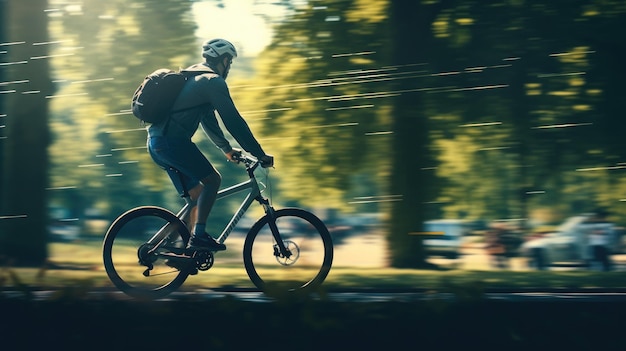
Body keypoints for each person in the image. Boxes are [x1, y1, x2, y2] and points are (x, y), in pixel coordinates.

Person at [147, 38, 273, 251]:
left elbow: (208, 119)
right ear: (223, 60)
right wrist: (259, 153)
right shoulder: (213, 82)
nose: (230, 67)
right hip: (172, 143)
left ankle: (172, 248)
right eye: (230, 62)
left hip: (156, 142)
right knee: (213, 180)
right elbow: (233, 121)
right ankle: (198, 238)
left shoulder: (193, 77)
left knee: (197, 197)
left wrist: (226, 149)